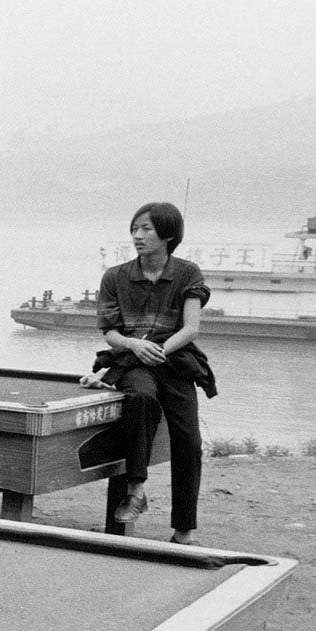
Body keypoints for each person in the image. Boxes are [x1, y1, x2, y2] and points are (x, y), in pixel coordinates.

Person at [80, 202, 216, 545]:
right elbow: (110, 332)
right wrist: (134, 345)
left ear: (168, 235)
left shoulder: (187, 273)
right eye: (134, 229)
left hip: (176, 360)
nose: (137, 236)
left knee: (189, 442)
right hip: (132, 359)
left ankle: (183, 531)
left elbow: (191, 328)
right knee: (140, 398)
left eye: (146, 229)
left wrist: (160, 350)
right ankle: (136, 488)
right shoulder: (115, 277)